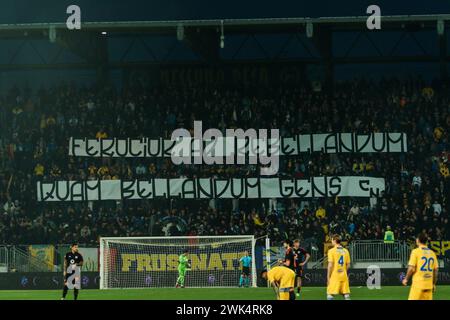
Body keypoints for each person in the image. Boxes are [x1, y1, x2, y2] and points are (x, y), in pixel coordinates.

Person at [402, 233, 439, 300]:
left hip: (418, 285)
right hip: (429, 286)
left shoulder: (415, 252)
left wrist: (406, 279)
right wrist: (433, 284)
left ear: (418, 240)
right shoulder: (432, 253)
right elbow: (435, 271)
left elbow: (411, 269)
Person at [327, 235, 351, 300]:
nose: (331, 241)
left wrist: (328, 277)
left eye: (332, 240)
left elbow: (330, 265)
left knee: (330, 295)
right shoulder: (346, 251)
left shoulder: (331, 251)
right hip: (344, 276)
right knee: (346, 294)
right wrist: (343, 270)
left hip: (335, 275)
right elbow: (348, 265)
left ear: (334, 241)